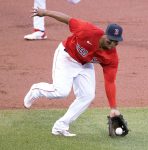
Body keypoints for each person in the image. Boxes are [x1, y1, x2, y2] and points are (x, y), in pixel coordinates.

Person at [24, 8, 123, 137]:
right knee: (61, 92)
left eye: (116, 42)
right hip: (66, 56)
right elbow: (67, 19)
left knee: (87, 95)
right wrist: (46, 13)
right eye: (110, 40)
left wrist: (113, 107)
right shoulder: (87, 30)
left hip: (84, 64)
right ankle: (36, 90)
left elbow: (110, 82)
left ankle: (61, 126)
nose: (112, 45)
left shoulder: (112, 58)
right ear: (104, 35)